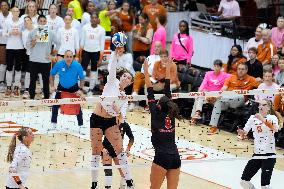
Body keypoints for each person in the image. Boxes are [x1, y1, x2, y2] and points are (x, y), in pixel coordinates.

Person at [90, 44, 134, 188]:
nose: (126, 78)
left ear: (130, 83)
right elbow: (112, 66)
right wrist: (115, 53)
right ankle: (94, 184)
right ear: (121, 77)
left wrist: (116, 111)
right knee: (96, 152)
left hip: (110, 122)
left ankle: (129, 182)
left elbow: (121, 118)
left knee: (120, 151)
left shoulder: (125, 98)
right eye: (125, 76)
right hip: (97, 119)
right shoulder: (112, 81)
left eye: (129, 78)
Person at [144, 56, 181, 189]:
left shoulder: (155, 113)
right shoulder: (171, 113)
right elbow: (167, 88)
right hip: (175, 157)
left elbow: (149, 89)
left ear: (158, 106)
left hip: (162, 157)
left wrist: (145, 70)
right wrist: (169, 68)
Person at [208, 63, 259, 135]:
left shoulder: (251, 79)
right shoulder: (231, 78)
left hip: (239, 100)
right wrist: (220, 95)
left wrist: (260, 79)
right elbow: (224, 88)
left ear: (246, 70)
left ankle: (215, 98)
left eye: (242, 69)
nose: (240, 71)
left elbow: (263, 85)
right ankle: (213, 126)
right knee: (218, 102)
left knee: (234, 95)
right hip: (226, 100)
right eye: (239, 69)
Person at [238, 99, 279, 189]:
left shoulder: (272, 118)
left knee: (264, 186)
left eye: (263, 105)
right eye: (260, 105)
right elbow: (245, 132)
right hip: (257, 154)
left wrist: (262, 119)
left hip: (269, 155)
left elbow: (275, 129)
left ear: (268, 108)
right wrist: (241, 132)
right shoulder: (252, 118)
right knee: (243, 182)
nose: (260, 107)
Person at [50, 50, 85, 129]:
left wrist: (80, 89)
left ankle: (81, 125)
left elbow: (82, 78)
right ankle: (53, 124)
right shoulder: (59, 64)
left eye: (70, 57)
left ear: (73, 57)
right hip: (61, 87)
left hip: (74, 87)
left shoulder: (77, 65)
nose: (69, 59)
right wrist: (52, 86)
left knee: (77, 106)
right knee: (55, 106)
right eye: (67, 57)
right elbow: (52, 74)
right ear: (64, 57)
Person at [27, 14, 59, 100]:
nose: (42, 22)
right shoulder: (32, 32)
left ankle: (46, 99)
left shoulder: (50, 33)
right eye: (40, 21)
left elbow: (58, 42)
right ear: (37, 22)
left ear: (46, 22)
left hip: (45, 61)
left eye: (44, 21)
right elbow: (27, 46)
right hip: (34, 60)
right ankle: (32, 98)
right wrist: (33, 42)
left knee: (45, 81)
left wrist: (53, 54)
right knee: (32, 80)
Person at [102, 122, 134, 189]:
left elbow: (131, 138)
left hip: (118, 151)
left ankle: (122, 187)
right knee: (108, 172)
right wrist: (102, 149)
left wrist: (128, 149)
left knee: (124, 173)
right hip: (107, 149)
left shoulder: (125, 125)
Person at [80, 13, 106, 95]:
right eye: (93, 17)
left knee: (94, 70)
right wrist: (79, 54)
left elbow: (102, 44)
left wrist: (101, 58)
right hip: (86, 51)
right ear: (90, 19)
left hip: (96, 52)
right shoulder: (85, 28)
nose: (94, 19)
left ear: (98, 19)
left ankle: (91, 89)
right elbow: (82, 41)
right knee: (83, 70)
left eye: (96, 18)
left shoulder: (102, 30)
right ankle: (81, 87)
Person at [3, 6, 24, 98]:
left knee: (18, 68)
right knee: (9, 68)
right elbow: (4, 34)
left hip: (20, 47)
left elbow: (26, 32)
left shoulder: (22, 22)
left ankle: (16, 87)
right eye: (14, 11)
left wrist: (20, 33)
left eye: (17, 11)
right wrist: (10, 33)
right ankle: (8, 87)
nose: (15, 12)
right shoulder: (7, 22)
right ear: (11, 12)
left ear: (19, 12)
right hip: (10, 47)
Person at [0, 0, 12, 92]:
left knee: (12, 64)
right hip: (2, 42)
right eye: (2, 5)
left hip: (13, 43)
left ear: (8, 6)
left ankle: (10, 82)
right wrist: (5, 32)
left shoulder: (13, 15)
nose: (4, 7)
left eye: (5, 5)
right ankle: (1, 82)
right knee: (3, 62)